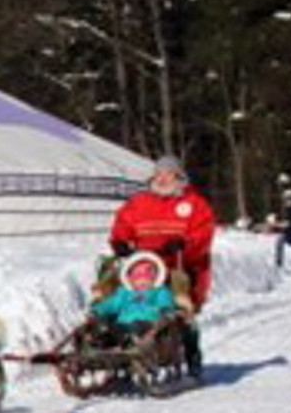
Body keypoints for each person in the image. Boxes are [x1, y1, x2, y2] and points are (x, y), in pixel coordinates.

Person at [110, 154, 216, 376]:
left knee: (181, 308)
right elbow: (123, 224)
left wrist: (184, 245)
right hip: (142, 265)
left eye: (168, 174)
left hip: (179, 265)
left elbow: (203, 235)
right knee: (116, 293)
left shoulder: (194, 204)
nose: (162, 178)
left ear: (178, 176)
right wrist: (119, 241)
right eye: (158, 174)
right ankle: (114, 338)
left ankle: (191, 352)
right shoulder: (138, 202)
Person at [90, 251, 179, 336]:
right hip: (124, 322)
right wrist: (99, 309)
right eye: (138, 280)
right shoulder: (124, 293)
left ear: (154, 279)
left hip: (149, 321)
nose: (142, 283)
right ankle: (105, 336)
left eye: (147, 280)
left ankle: (132, 340)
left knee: (140, 329)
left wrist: (165, 309)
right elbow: (113, 304)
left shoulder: (159, 291)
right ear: (131, 281)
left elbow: (164, 301)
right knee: (110, 324)